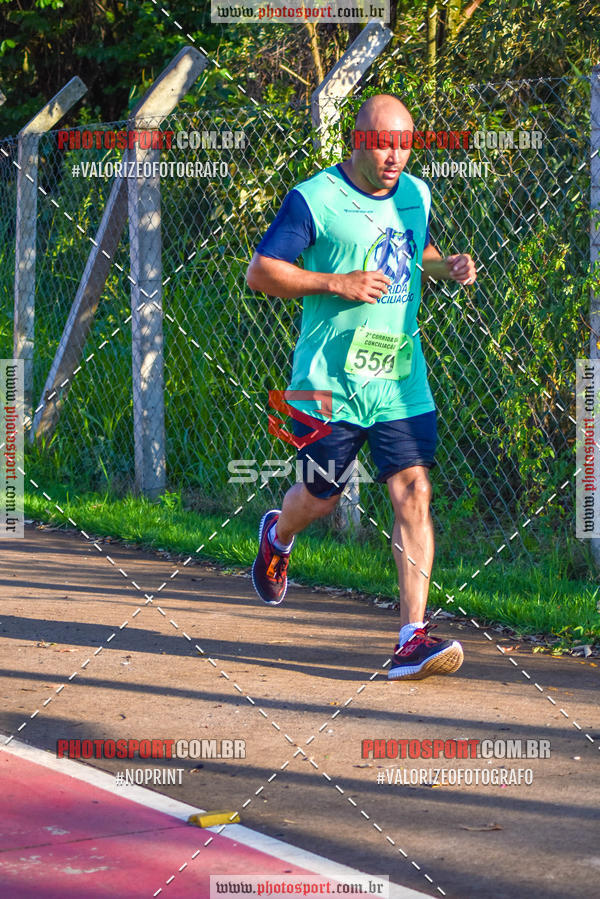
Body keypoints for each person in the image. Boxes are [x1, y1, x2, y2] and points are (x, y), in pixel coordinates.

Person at [245, 94, 477, 680]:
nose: (395, 155)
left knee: (413, 492)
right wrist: (335, 282)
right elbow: (261, 272)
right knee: (320, 498)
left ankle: (411, 636)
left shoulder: (417, 193)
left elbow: (411, 249)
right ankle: (278, 532)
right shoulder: (316, 198)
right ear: (357, 139)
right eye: (383, 143)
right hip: (328, 382)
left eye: (404, 143)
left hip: (400, 378)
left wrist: (444, 266)